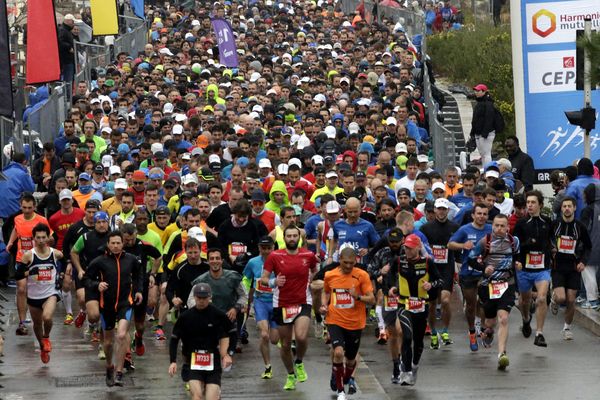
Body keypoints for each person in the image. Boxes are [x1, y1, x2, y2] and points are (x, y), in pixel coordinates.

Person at [261, 224, 319, 391]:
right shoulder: (274, 256)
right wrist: (274, 282)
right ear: (284, 238)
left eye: (295, 236)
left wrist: (313, 282)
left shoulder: (308, 255)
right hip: (282, 303)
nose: (292, 239)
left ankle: (299, 361)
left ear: (299, 238)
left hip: (303, 301)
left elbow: (315, 271)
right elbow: (263, 279)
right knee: (285, 345)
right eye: (289, 236)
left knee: (300, 337)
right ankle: (291, 374)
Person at [83, 231, 143, 387]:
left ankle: (119, 372)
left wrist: (138, 290)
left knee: (122, 335)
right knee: (108, 343)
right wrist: (97, 285)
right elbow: (86, 279)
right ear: (108, 244)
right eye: (113, 243)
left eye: (118, 243)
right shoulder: (99, 261)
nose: (116, 246)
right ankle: (109, 365)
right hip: (107, 305)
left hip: (125, 302)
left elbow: (138, 275)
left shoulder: (131, 260)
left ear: (123, 244)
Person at [384, 234, 443, 385]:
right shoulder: (399, 261)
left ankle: (414, 366)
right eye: (406, 248)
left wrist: (431, 285)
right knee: (406, 336)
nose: (408, 251)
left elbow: (440, 280)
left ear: (418, 247)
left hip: (421, 306)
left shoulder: (428, 262)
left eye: (411, 248)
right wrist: (391, 287)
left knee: (418, 341)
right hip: (404, 304)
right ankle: (405, 370)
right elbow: (389, 275)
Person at [321, 246, 375, 400]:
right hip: (335, 319)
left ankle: (342, 376)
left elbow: (372, 299)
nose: (349, 266)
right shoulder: (330, 275)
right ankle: (340, 392)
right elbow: (326, 292)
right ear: (340, 261)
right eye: (345, 263)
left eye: (352, 263)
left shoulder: (362, 275)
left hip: (355, 323)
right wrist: (324, 305)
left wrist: (357, 297)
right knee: (338, 352)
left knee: (351, 361)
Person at [467, 214, 520, 370]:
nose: (499, 229)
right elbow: (470, 259)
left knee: (503, 318)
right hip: (488, 286)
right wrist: (484, 268)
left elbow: (517, 257)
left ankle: (502, 354)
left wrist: (518, 264)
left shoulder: (513, 241)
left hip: (507, 284)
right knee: (490, 322)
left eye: (502, 226)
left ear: (508, 227)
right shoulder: (486, 242)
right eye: (496, 225)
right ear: (493, 226)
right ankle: (488, 332)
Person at [169, 283, 233, 400]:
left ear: (210, 297)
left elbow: (231, 332)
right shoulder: (185, 317)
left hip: (213, 362)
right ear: (194, 297)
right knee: (197, 396)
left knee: (210, 398)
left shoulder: (217, 314)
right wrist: (173, 361)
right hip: (193, 361)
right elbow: (174, 339)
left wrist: (228, 353)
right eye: (199, 298)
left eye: (204, 298)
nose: (202, 301)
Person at [15, 223, 63, 363]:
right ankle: (42, 347)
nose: (41, 240)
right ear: (33, 239)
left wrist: (60, 276)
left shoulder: (56, 253)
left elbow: (66, 261)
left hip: (50, 293)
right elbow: (18, 275)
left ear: (48, 238)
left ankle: (46, 337)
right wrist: (30, 272)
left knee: (47, 317)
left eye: (44, 237)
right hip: (34, 295)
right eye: (38, 238)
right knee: (37, 325)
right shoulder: (28, 255)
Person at [186, 248, 247, 356]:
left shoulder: (233, 277)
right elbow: (190, 301)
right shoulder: (201, 280)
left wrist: (235, 308)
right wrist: (202, 306)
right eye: (212, 259)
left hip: (229, 317)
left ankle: (235, 337)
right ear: (208, 261)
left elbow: (243, 296)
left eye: (217, 258)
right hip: (208, 318)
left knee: (241, 308)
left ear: (222, 260)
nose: (215, 261)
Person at [448, 203, 492, 351]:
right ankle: (472, 331)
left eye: (485, 214)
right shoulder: (465, 229)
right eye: (479, 213)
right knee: (471, 304)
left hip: (484, 272)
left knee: (485, 303)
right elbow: (450, 244)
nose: (482, 217)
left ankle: (484, 331)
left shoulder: (491, 230)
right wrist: (462, 246)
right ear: (473, 215)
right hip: (468, 272)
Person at [7, 192, 51, 336]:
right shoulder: (17, 218)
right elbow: (16, 229)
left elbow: (50, 237)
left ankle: (37, 318)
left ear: (34, 207)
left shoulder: (41, 220)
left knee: (34, 289)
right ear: (20, 206)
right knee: (21, 289)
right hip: (21, 258)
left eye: (29, 208)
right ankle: (22, 321)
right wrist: (11, 242)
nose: (26, 211)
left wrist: (43, 246)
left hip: (37, 259)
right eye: (24, 208)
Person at [513, 190, 553, 347]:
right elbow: (515, 247)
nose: (529, 205)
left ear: (540, 205)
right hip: (524, 268)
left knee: (542, 298)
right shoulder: (521, 224)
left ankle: (539, 333)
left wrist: (553, 247)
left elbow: (551, 240)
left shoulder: (548, 221)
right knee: (525, 301)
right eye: (528, 202)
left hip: (542, 268)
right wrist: (525, 247)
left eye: (533, 202)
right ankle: (525, 319)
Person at [420, 198, 459, 348]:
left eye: (444, 209)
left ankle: (445, 330)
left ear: (448, 210)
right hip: (431, 269)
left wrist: (459, 267)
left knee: (445, 301)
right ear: (434, 210)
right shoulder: (426, 228)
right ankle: (434, 331)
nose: (441, 211)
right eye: (439, 209)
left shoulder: (454, 227)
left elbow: (459, 250)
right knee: (431, 304)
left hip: (447, 268)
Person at [551, 196, 591, 339]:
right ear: (561, 209)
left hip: (573, 267)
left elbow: (588, 246)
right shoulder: (555, 225)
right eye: (564, 206)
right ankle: (554, 299)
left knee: (571, 300)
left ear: (574, 208)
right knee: (561, 298)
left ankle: (567, 328)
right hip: (558, 266)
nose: (567, 208)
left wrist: (583, 262)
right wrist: (551, 249)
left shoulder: (580, 227)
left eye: (569, 206)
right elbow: (547, 241)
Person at [241, 235, 279, 379]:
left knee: (274, 340)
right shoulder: (253, 262)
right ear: (259, 248)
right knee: (264, 335)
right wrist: (245, 300)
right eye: (263, 248)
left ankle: (279, 337)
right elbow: (247, 280)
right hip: (260, 301)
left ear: (273, 248)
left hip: (276, 302)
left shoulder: (280, 260)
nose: (266, 251)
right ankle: (267, 366)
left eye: (269, 248)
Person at [469, 84, 496, 166]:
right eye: (475, 90)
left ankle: (488, 170)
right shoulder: (479, 103)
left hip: (486, 134)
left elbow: (489, 119)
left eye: (478, 91)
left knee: (486, 154)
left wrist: (485, 133)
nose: (476, 92)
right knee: (483, 154)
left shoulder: (488, 103)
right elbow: (475, 120)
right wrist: (472, 133)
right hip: (479, 133)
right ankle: (485, 170)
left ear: (484, 92)